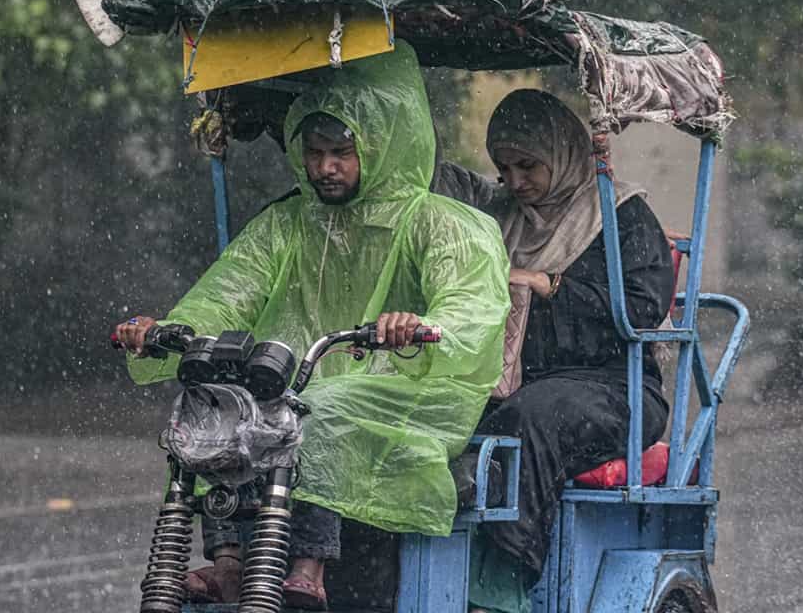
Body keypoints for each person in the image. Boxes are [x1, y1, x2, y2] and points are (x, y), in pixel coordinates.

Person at [114, 42, 511, 610]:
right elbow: (227, 295)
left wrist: (417, 326)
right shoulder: (286, 224)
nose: (325, 167)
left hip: (411, 390)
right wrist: (166, 330)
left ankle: (308, 564)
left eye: (341, 152)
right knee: (210, 404)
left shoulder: (444, 222)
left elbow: (470, 309)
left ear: (380, 145)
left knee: (316, 411)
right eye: (316, 151)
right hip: (302, 380)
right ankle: (228, 561)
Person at [467, 90, 673, 613]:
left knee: (527, 420)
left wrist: (550, 285)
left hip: (615, 389)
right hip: (514, 383)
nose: (516, 182)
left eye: (528, 165)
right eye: (505, 168)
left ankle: (501, 585)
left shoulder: (622, 214)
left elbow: (644, 307)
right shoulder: (499, 219)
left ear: (560, 153)